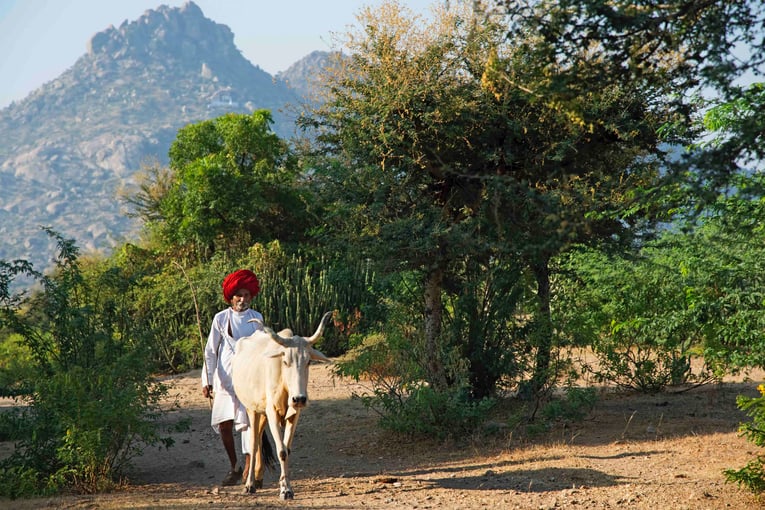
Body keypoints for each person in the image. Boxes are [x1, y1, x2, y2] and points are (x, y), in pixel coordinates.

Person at [201, 269, 264, 486]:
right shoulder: (220, 318)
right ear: (231, 296)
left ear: (251, 297)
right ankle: (234, 465)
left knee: (248, 424)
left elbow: (262, 348)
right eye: (239, 295)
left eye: (246, 295)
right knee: (225, 425)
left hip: (249, 379)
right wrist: (206, 380)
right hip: (224, 379)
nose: (242, 299)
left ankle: (249, 468)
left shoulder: (256, 318)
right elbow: (210, 351)